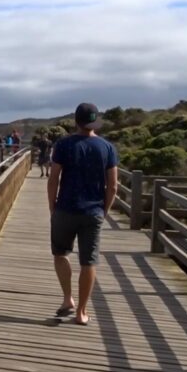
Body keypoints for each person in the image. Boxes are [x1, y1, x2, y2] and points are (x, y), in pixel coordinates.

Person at [47, 103, 118, 325]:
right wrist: (103, 211)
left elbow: (54, 178)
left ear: (76, 122)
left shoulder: (63, 145)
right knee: (89, 263)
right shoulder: (107, 148)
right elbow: (113, 186)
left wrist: (52, 207)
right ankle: (81, 312)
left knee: (60, 254)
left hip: (65, 209)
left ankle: (68, 298)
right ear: (94, 122)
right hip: (93, 212)